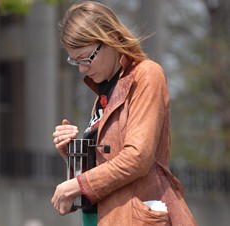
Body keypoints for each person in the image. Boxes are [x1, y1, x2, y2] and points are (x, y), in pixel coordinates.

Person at [51, 1, 197, 226]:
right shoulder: (105, 91)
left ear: (110, 38)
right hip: (100, 217)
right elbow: (106, 169)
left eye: (86, 58)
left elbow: (137, 158)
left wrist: (77, 185)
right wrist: (72, 154)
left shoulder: (146, 75)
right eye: (75, 61)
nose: (82, 69)